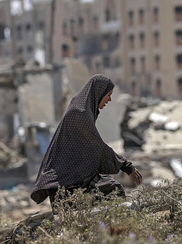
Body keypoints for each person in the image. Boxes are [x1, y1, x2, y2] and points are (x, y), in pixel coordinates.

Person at [30, 74, 142, 210]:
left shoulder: (80, 110)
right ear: (98, 93)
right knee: (113, 190)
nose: (110, 99)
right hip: (68, 186)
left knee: (111, 188)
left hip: (74, 180)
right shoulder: (79, 114)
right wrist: (126, 166)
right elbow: (97, 147)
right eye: (108, 94)